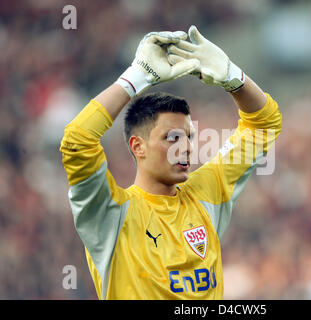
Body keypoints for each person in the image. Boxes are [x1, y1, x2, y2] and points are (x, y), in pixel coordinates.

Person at [60, 26, 282, 299]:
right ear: (137, 146)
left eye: (189, 136)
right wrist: (136, 78)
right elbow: (77, 141)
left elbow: (264, 125)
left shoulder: (206, 192)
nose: (186, 148)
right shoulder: (109, 216)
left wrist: (232, 77)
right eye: (173, 137)